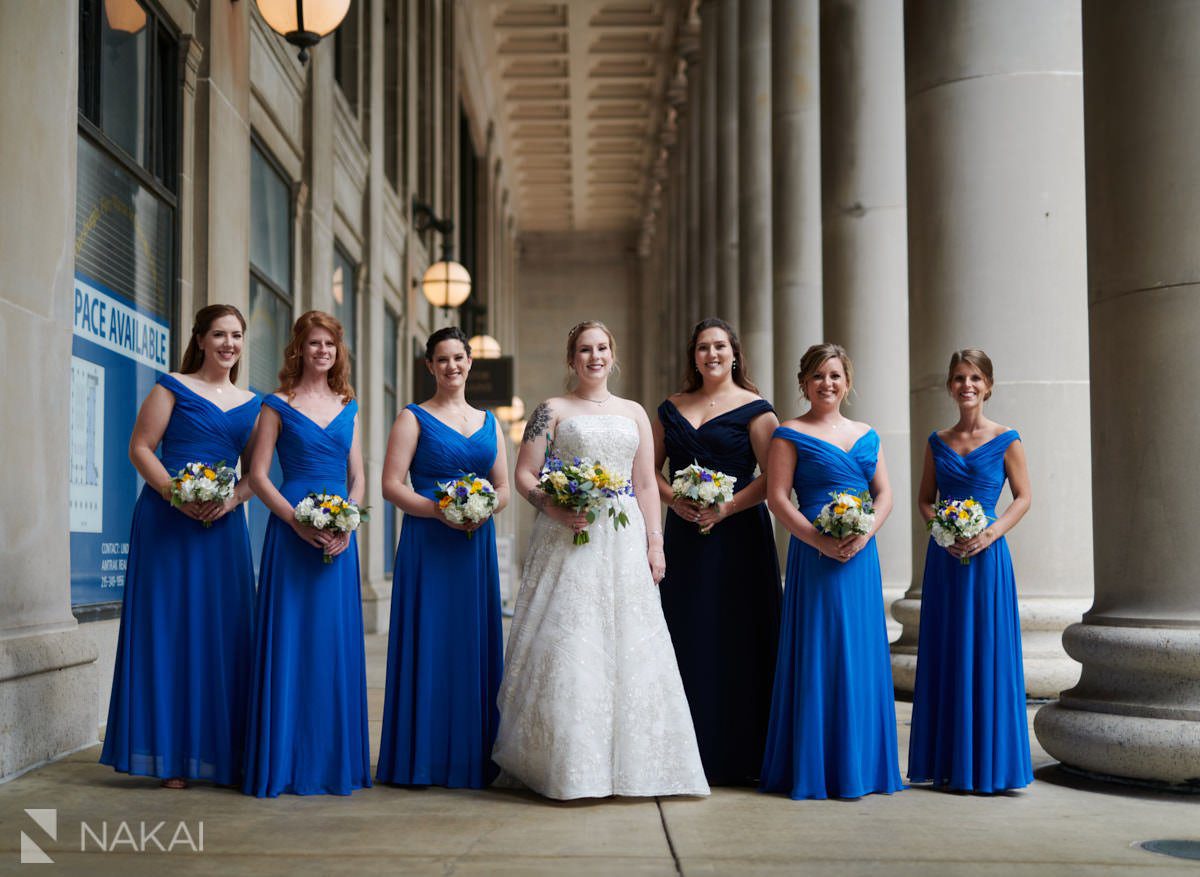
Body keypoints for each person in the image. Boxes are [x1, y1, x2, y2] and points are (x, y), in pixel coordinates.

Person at [492, 320, 709, 800]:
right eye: (585, 350)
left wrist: (655, 542)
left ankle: (639, 763)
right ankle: (566, 763)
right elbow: (525, 473)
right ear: (572, 359)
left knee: (632, 642)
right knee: (573, 639)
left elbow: (648, 483)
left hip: (624, 536)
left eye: (602, 348)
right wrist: (554, 505)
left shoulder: (633, 412)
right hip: (569, 535)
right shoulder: (550, 410)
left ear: (614, 355)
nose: (595, 356)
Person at [100, 304, 259, 789]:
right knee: (169, 630)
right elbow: (140, 448)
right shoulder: (171, 386)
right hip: (167, 522)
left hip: (223, 529)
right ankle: (170, 755)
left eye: (236, 335)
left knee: (223, 632)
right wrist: (176, 494)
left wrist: (228, 503)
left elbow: (255, 474)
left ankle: (220, 752)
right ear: (201, 339)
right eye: (219, 334)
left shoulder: (254, 403)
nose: (228, 344)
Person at [760, 342, 904, 800]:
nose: (827, 383)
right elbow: (779, 498)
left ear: (848, 382)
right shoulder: (789, 433)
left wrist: (865, 534)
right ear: (804, 383)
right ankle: (817, 766)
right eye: (818, 376)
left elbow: (884, 493)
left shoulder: (866, 433)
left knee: (860, 652)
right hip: (814, 552)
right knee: (821, 651)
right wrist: (819, 539)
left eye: (835, 376)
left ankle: (863, 766)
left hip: (861, 556)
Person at [242, 311, 371, 797]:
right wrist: (295, 520)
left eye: (330, 345)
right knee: (290, 642)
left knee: (331, 645)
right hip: (290, 532)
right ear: (298, 349)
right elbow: (258, 475)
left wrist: (349, 521)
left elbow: (356, 476)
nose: (322, 351)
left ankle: (331, 760)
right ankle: (285, 761)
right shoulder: (276, 404)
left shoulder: (348, 404)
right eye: (314, 343)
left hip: (339, 536)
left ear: (338, 352)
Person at [377, 327, 509, 788]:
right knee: (430, 640)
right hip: (429, 544)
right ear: (430, 366)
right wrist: (441, 511)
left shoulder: (490, 422)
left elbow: (505, 487)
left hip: (474, 546)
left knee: (469, 642)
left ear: (470, 362)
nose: (452, 366)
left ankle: (471, 757)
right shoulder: (412, 418)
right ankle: (422, 757)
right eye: (442, 360)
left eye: (459, 358)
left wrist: (483, 507)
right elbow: (392, 484)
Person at [653, 317, 781, 785]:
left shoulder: (757, 410)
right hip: (685, 535)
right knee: (686, 630)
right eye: (703, 347)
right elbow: (648, 474)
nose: (711, 354)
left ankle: (740, 753)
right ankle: (686, 752)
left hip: (739, 536)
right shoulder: (670, 408)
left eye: (719, 347)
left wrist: (726, 508)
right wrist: (676, 502)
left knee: (737, 634)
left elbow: (773, 478)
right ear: (694, 355)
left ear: (734, 354)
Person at [908, 348, 1034, 793]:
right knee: (949, 649)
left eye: (975, 378)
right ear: (950, 386)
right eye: (960, 378)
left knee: (985, 650)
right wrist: (939, 528)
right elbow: (924, 497)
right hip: (945, 558)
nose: (967, 386)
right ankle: (949, 762)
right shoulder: (936, 441)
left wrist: (990, 533)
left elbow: (1022, 496)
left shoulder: (1007, 438)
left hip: (987, 559)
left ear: (989, 386)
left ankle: (988, 766)